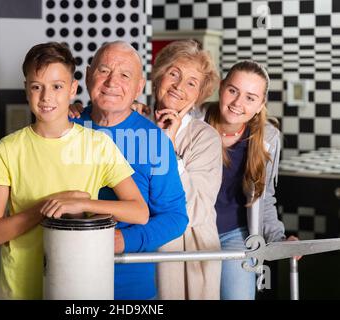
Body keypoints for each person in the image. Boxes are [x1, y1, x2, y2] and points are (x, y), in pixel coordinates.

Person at [0, 42, 149, 300]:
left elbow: (139, 212)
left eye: (57, 87)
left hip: (79, 290)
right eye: (37, 87)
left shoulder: (98, 145)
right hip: (21, 290)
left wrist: (83, 203)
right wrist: (45, 208)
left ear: (72, 89)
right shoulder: (8, 149)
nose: (47, 97)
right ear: (27, 90)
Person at [70, 41, 188, 299]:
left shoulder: (154, 141)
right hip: (63, 280)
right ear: (89, 74)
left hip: (129, 287)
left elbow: (175, 217)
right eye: (103, 71)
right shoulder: (64, 129)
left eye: (125, 75)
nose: (112, 82)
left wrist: (123, 240)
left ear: (139, 87)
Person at [202, 60, 299, 300]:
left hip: (235, 233)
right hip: (191, 231)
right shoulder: (194, 120)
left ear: (260, 105)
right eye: (233, 91)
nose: (237, 103)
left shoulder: (267, 137)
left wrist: (278, 237)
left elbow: (264, 199)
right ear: (221, 87)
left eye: (250, 97)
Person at [150, 40, 223, 300]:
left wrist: (166, 148)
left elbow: (195, 209)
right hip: (138, 250)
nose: (179, 87)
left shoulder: (206, 139)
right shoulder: (133, 124)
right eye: (174, 74)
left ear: (198, 95)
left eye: (191, 82)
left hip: (188, 256)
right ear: (158, 76)